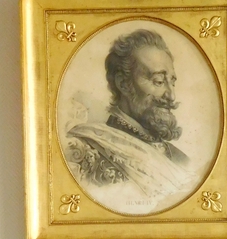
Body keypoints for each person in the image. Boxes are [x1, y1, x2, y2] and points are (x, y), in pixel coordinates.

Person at [64, 29, 195, 213]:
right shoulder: (85, 149)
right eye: (158, 81)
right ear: (124, 84)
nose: (171, 95)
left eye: (172, 82)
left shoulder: (182, 160)